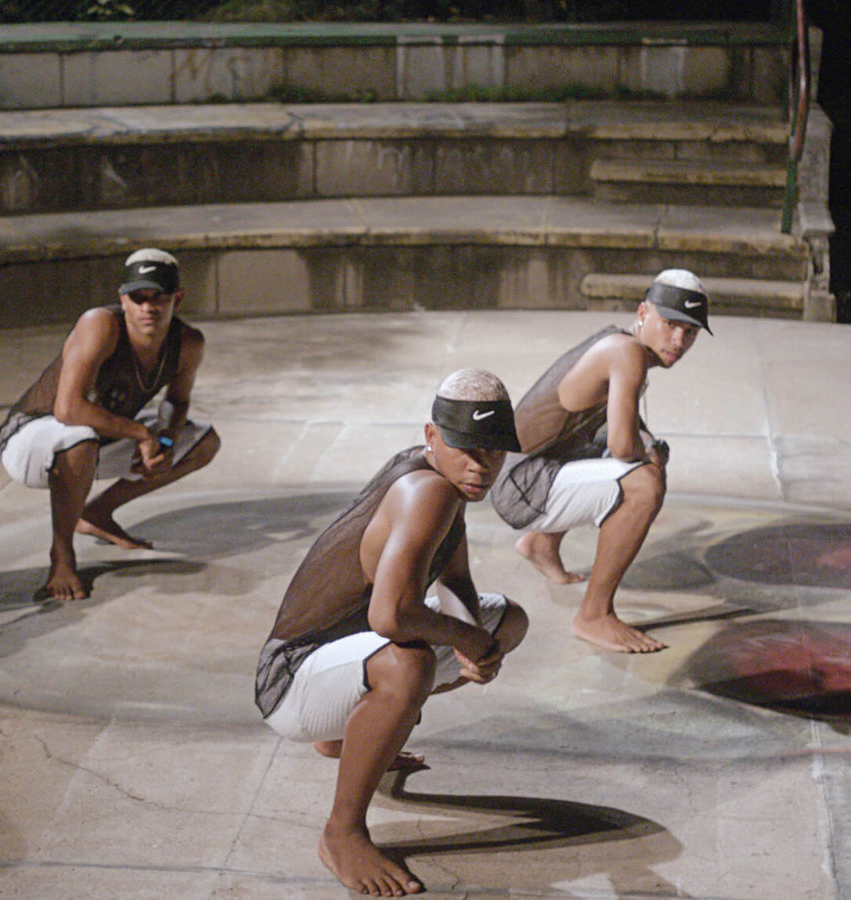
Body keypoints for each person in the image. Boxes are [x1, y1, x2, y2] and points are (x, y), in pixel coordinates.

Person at [255, 369, 529, 897]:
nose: (481, 464)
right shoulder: (427, 493)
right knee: (410, 663)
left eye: (494, 449)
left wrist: (476, 639)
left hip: (336, 657)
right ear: (432, 437)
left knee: (505, 622)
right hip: (289, 680)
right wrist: (467, 643)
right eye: (466, 447)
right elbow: (390, 616)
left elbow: (459, 578)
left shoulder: (444, 482)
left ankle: (352, 736)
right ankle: (342, 833)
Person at [490, 269, 710, 653]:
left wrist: (650, 447)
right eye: (671, 324)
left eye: (689, 332)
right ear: (643, 312)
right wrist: (651, 456)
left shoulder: (622, 344)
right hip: (520, 486)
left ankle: (541, 545)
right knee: (644, 485)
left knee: (634, 455)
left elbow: (615, 432)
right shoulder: (626, 352)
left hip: (529, 473)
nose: (678, 340)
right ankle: (593, 616)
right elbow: (625, 446)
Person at [0, 248, 220, 602]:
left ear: (177, 298)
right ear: (123, 298)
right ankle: (62, 554)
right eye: (138, 297)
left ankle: (97, 512)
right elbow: (68, 409)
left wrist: (164, 442)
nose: (148, 307)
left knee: (203, 442)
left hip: (96, 438)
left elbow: (177, 402)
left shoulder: (188, 343)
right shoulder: (99, 324)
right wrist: (142, 434)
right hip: (32, 437)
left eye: (159, 297)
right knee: (80, 439)